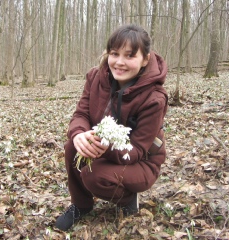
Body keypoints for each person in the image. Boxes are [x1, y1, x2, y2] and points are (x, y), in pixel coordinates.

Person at [55, 24, 168, 231]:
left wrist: (102, 146)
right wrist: (79, 134)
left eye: (130, 56)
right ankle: (81, 204)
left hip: (141, 162)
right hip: (108, 150)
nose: (119, 62)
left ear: (145, 59)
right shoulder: (96, 77)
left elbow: (137, 151)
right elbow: (81, 114)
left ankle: (127, 199)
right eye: (114, 54)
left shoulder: (154, 98)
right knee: (73, 146)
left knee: (93, 174)